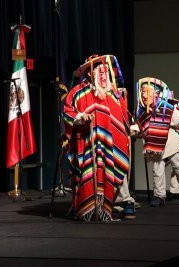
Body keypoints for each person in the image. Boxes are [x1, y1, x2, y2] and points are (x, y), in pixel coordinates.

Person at [62, 54, 133, 221]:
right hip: (87, 143)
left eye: (105, 71)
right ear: (89, 73)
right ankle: (89, 206)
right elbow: (68, 113)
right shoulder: (78, 93)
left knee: (115, 162)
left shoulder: (114, 94)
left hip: (112, 144)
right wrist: (80, 117)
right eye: (99, 70)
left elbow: (122, 118)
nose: (103, 74)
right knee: (88, 169)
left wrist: (129, 129)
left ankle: (123, 202)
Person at [131, 77, 179, 207]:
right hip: (154, 145)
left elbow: (178, 120)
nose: (144, 95)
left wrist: (163, 123)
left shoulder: (166, 107)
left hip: (170, 144)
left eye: (147, 92)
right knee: (157, 169)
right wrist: (134, 130)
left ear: (155, 93)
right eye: (142, 92)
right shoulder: (141, 111)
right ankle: (159, 195)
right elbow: (139, 126)